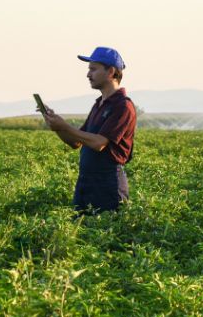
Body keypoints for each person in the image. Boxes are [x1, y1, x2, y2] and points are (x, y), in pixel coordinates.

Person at [41, 47, 136, 214]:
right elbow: (76, 142)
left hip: (108, 184)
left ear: (111, 72)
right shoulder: (99, 104)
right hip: (86, 182)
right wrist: (56, 126)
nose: (88, 74)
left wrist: (65, 126)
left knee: (104, 234)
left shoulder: (123, 106)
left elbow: (99, 143)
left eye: (93, 69)